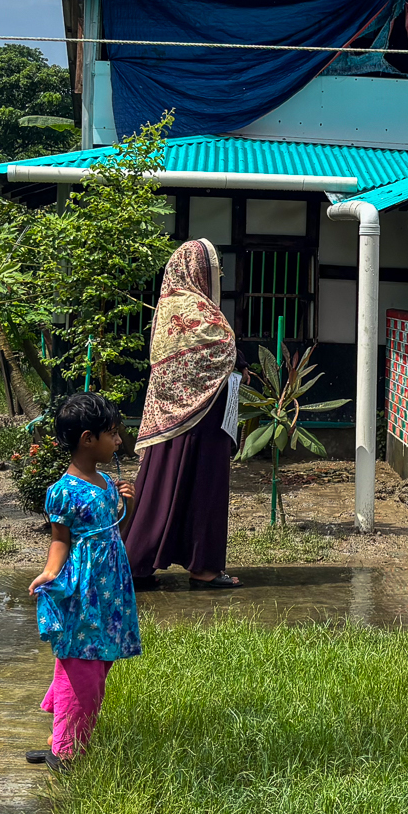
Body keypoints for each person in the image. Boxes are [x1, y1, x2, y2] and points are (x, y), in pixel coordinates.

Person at [27, 393, 141, 766]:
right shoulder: (62, 492)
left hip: (110, 588)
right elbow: (61, 540)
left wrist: (128, 506)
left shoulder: (108, 483)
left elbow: (113, 530)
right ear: (88, 439)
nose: (119, 441)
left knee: (96, 659)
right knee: (84, 666)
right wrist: (50, 572)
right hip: (84, 589)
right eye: (113, 434)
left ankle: (61, 730)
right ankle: (66, 751)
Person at [123, 237, 242, 590]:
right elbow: (222, 349)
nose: (216, 276)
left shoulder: (168, 305)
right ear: (198, 271)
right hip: (204, 419)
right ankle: (203, 568)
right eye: (213, 270)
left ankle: (137, 563)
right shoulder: (196, 308)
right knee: (205, 488)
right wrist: (239, 361)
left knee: (160, 485)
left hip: (170, 417)